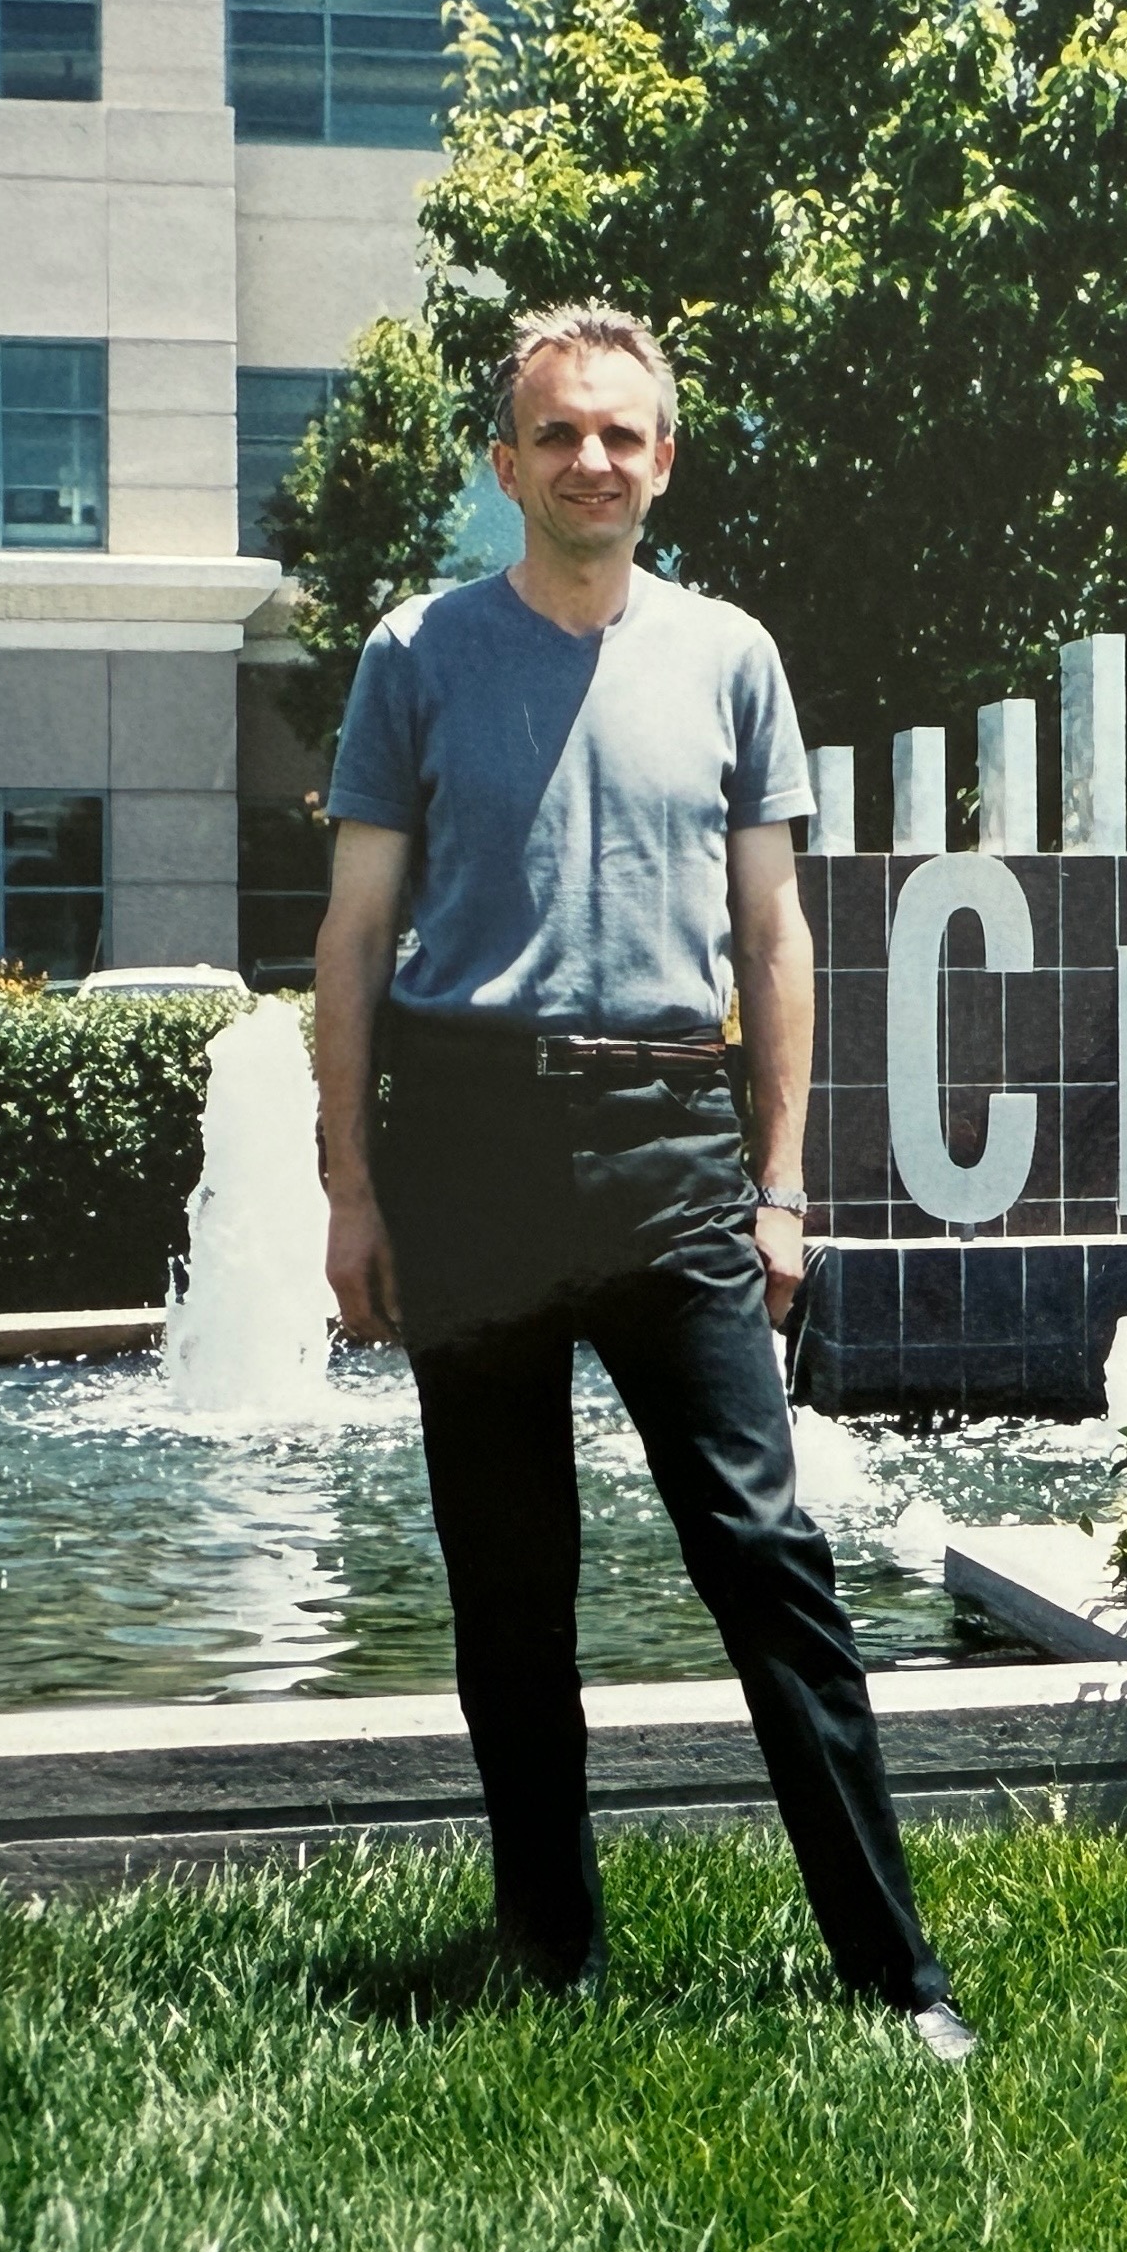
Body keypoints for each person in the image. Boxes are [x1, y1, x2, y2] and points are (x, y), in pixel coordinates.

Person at [311, 303, 972, 2061]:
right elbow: (354, 937)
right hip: (468, 1145)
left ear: (662, 461)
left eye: (620, 434)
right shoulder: (414, 653)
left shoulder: (731, 655)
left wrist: (781, 1182)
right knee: (507, 1580)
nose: (590, 459)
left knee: (767, 1555)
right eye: (557, 433)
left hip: (675, 1153)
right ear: (504, 461)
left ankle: (897, 1977)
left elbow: (775, 935)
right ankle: (552, 1958)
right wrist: (351, 1190)